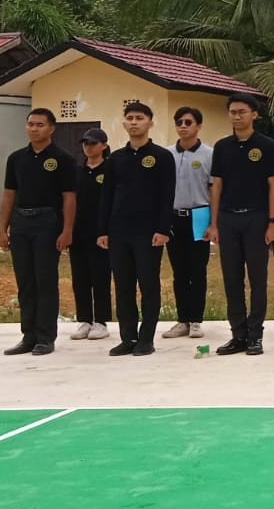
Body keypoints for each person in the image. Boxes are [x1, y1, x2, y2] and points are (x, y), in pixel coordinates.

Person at [97, 102, 177, 357]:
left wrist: (163, 229)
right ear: (124, 123)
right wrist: (103, 230)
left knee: (148, 285)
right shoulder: (115, 159)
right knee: (123, 286)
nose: (134, 122)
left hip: (149, 232)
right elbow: (106, 196)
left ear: (150, 122)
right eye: (129, 118)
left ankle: (146, 339)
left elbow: (167, 195)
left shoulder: (162, 157)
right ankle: (127, 337)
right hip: (119, 231)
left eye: (139, 118)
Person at [205, 94, 274, 357]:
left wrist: (273, 222)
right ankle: (238, 335)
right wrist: (213, 224)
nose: (237, 116)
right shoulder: (222, 147)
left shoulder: (266, 145)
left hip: (257, 218)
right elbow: (217, 186)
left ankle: (255, 336)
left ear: (254, 115)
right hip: (228, 218)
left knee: (257, 279)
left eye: (242, 112)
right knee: (231, 278)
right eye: (233, 112)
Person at [0, 108, 77, 356]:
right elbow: (9, 194)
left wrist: (67, 230)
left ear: (51, 128)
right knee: (25, 282)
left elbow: (69, 198)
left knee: (45, 280)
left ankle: (45, 337)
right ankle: (28, 336)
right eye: (30, 124)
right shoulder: (16, 158)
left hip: (48, 222)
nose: (34, 129)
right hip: (21, 222)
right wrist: (3, 228)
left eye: (40, 125)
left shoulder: (63, 159)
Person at [164, 106, 213, 340]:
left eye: (188, 122)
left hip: (199, 216)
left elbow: (214, 189)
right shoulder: (167, 155)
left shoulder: (209, 154)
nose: (183, 126)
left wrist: (214, 223)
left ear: (198, 126)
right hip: (174, 217)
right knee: (179, 272)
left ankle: (196, 320)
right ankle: (182, 319)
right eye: (179, 122)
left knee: (197, 271)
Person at [67, 127, 112, 342]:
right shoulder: (77, 171)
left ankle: (101, 321)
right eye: (85, 143)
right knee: (80, 278)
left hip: (100, 234)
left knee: (100, 277)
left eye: (93, 143)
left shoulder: (110, 170)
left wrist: (107, 230)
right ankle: (84, 319)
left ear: (103, 145)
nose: (88, 147)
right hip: (78, 233)